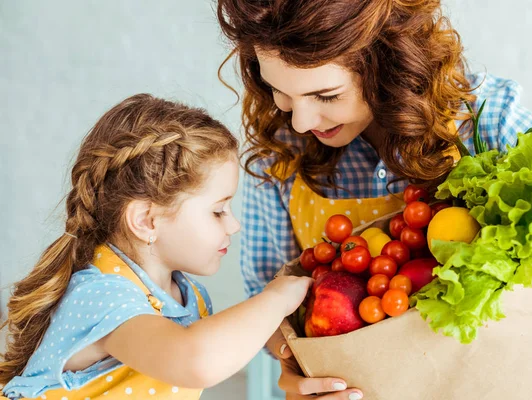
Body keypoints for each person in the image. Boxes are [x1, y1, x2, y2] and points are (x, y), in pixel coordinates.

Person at [216, 0, 532, 398]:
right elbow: (269, 307)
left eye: (326, 96)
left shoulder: (485, 119)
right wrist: (290, 365)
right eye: (279, 91)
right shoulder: (281, 153)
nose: (299, 121)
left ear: (387, 59)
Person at [0, 94, 312, 400]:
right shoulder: (101, 295)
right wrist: (274, 300)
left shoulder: (188, 296)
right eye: (218, 211)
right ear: (147, 220)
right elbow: (195, 362)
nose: (234, 225)